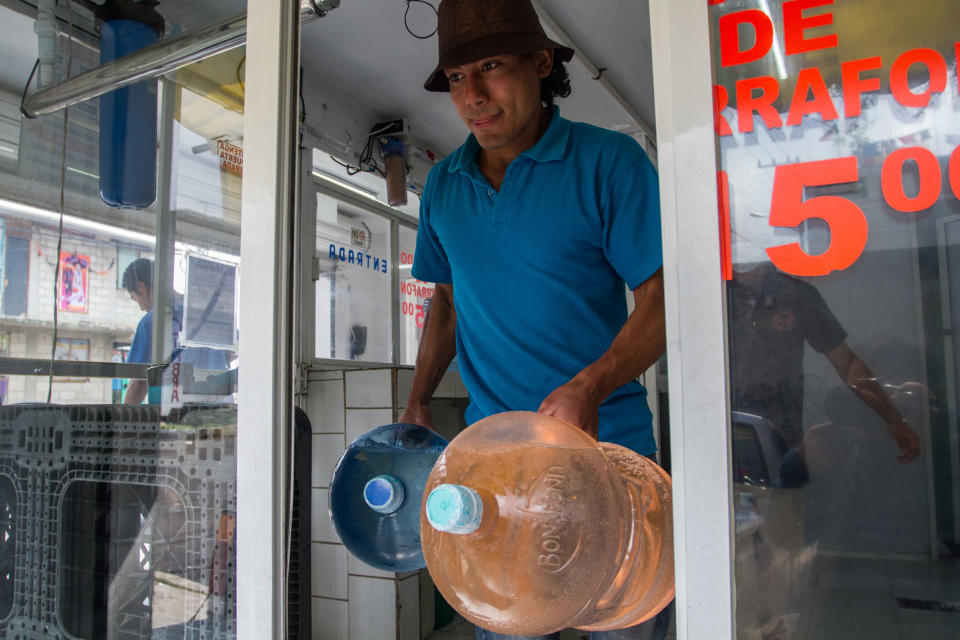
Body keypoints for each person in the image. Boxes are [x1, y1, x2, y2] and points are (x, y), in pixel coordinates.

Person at [399, 1, 670, 638]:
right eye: (458, 77)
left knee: (617, 625)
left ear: (542, 63)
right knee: (511, 625)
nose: (473, 95)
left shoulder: (610, 163)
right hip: (494, 474)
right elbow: (446, 300)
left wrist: (589, 386)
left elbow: (664, 299)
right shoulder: (442, 184)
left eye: (491, 66)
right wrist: (416, 400)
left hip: (609, 458)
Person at [122, 258, 230, 404]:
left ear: (142, 288)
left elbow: (138, 383)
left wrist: (120, 422)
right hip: (222, 411)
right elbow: (231, 353)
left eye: (136, 299)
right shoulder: (209, 314)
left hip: (180, 415)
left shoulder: (150, 322)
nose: (141, 307)